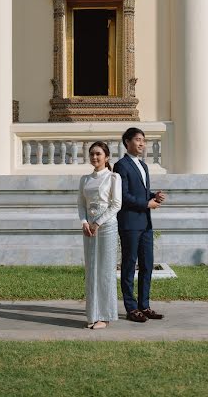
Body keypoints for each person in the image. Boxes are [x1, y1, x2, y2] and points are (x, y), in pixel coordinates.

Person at [114, 127, 166, 323]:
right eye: (137, 139)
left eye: (143, 140)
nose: (142, 143)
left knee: (147, 265)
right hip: (129, 223)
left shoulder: (143, 166)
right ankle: (131, 308)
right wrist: (146, 203)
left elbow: (142, 191)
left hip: (145, 223)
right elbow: (123, 196)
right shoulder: (121, 165)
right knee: (129, 265)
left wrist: (154, 196)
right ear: (127, 142)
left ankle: (144, 305)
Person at [77, 141, 122, 329]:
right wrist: (85, 222)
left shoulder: (113, 177)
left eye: (98, 154)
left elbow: (116, 204)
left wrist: (97, 222)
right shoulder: (84, 179)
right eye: (92, 154)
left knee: (105, 270)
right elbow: (81, 204)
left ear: (106, 156)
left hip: (107, 227)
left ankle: (105, 316)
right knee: (92, 269)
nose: (95, 157)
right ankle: (92, 314)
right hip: (89, 229)